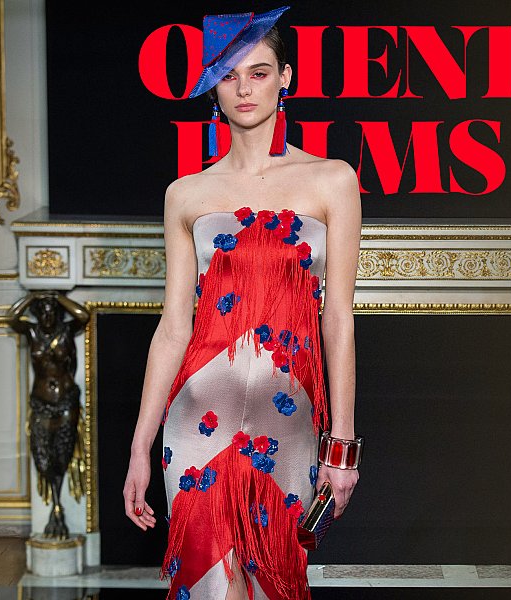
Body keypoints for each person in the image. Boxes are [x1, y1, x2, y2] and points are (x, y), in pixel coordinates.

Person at [122, 6, 362, 600]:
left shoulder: (333, 180)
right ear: (214, 87)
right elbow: (173, 328)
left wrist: (343, 447)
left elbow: (338, 319)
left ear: (285, 78)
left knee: (275, 581)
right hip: (197, 415)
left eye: (259, 73)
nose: (245, 88)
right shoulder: (186, 194)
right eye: (229, 76)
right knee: (208, 585)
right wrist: (139, 448)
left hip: (289, 418)